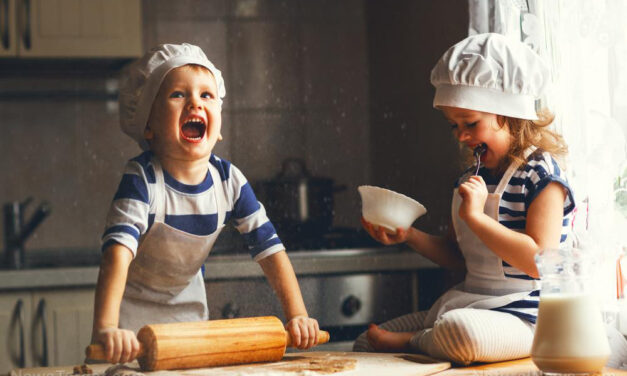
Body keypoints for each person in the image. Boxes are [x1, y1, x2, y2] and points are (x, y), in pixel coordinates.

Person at [353, 33, 575, 365]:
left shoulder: (541, 175)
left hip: (530, 316)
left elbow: (538, 261)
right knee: (364, 343)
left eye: (470, 123)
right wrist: (409, 235)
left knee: (460, 335)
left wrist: (478, 219)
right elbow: (460, 256)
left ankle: (415, 341)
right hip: (475, 303)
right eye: (453, 125)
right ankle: (425, 339)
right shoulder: (471, 178)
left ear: (510, 114)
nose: (461, 135)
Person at [91, 43, 320, 364]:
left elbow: (271, 252)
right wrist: (106, 328)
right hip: (128, 318)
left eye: (206, 95)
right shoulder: (143, 179)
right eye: (177, 95)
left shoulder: (229, 181)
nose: (195, 103)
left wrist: (297, 315)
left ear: (219, 126)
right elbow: (116, 255)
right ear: (147, 125)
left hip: (189, 314)